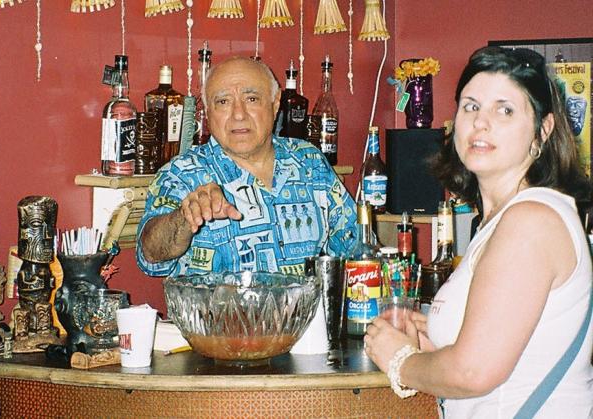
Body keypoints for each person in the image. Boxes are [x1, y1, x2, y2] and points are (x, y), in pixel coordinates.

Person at [364, 46, 593, 418]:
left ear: (543, 130)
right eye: (471, 106)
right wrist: (435, 340)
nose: (481, 122)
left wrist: (400, 360)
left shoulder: (531, 221)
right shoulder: (502, 219)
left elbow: (472, 373)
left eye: (505, 110)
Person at [137, 56, 356, 277]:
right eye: (223, 102)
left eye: (251, 99)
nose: (239, 114)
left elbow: (355, 246)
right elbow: (151, 254)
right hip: (217, 302)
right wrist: (185, 217)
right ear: (207, 112)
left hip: (307, 301)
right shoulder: (182, 173)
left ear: (275, 104)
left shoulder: (309, 161)